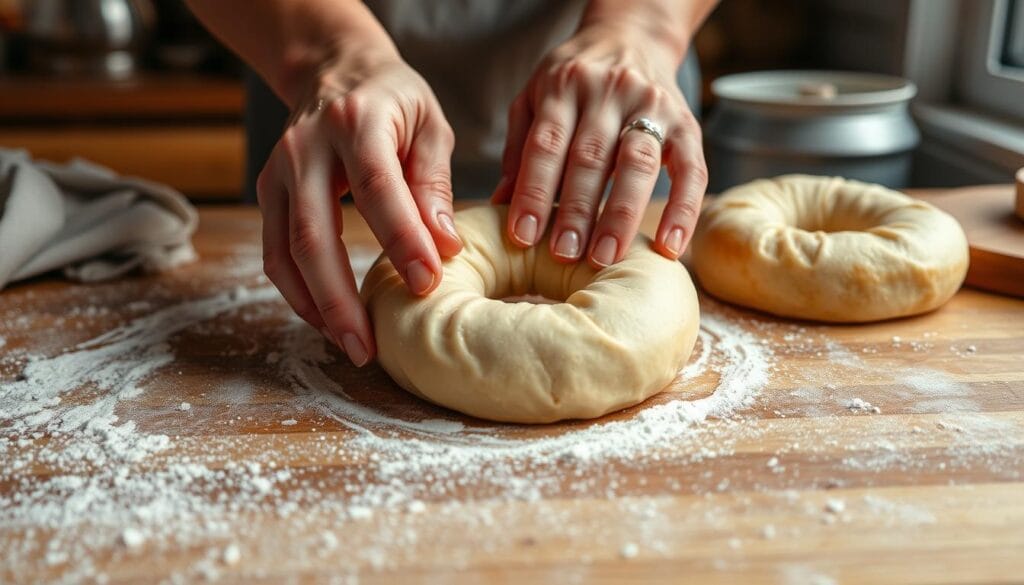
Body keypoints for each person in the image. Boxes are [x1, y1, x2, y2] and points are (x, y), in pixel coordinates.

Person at [186, 0, 715, 367]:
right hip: (321, 91)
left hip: (611, 109)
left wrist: (643, 31)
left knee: (621, 249)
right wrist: (329, 55)